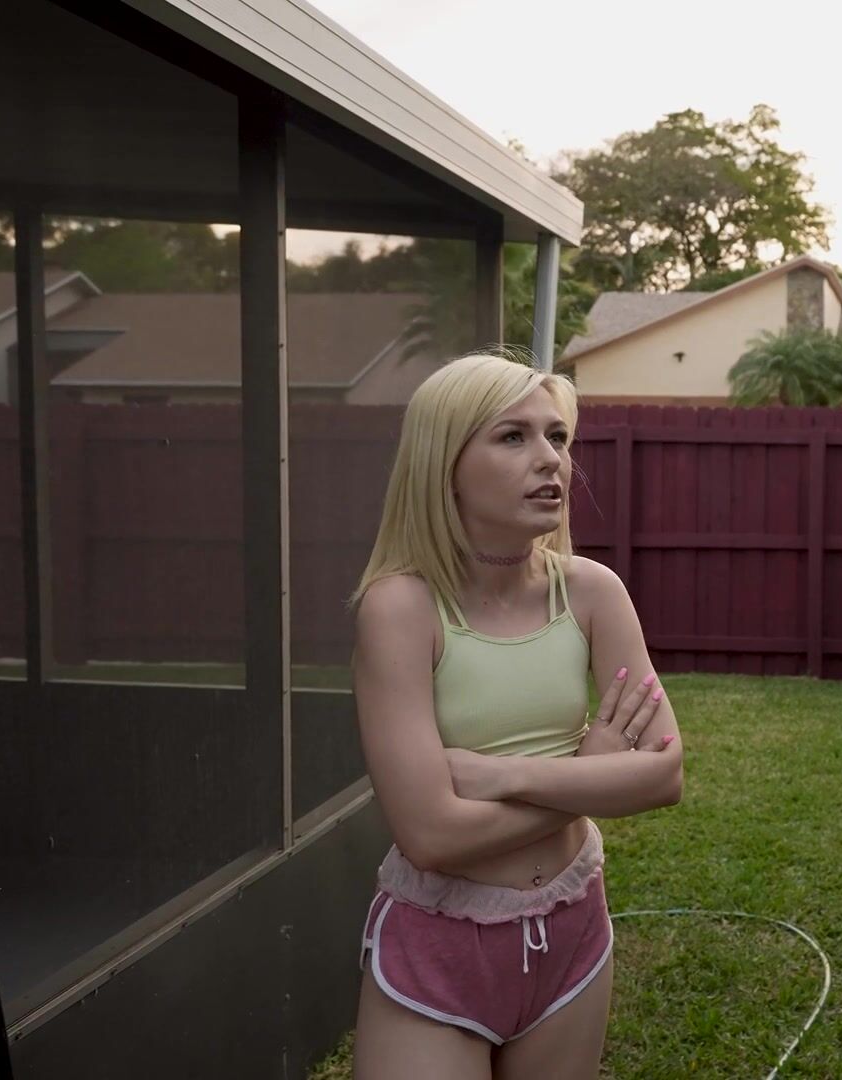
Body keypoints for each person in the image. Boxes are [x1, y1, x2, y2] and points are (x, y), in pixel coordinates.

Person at [345, 353, 683, 1080]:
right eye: (512, 437)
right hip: (439, 944)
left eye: (557, 436)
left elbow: (663, 776)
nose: (550, 459)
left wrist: (503, 775)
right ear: (445, 465)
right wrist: (589, 778)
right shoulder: (400, 608)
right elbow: (432, 836)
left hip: (573, 935)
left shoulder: (591, 592)